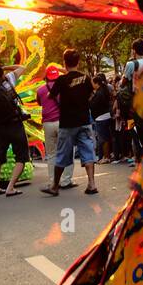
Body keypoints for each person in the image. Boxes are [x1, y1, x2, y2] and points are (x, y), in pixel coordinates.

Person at [40, 50, 97, 196]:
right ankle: (91, 184)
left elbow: (50, 95)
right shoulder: (85, 78)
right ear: (78, 62)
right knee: (88, 151)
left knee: (61, 154)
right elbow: (91, 93)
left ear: (64, 62)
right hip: (84, 120)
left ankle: (54, 186)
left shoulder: (61, 80)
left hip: (67, 123)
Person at [0, 63, 29, 199]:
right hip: (15, 124)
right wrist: (5, 67)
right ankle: (10, 187)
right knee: (21, 157)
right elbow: (23, 67)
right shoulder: (9, 80)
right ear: (2, 74)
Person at [36, 65, 73, 188]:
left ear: (46, 76)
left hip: (47, 124)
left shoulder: (40, 90)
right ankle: (66, 180)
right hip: (62, 122)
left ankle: (53, 181)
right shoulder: (64, 88)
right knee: (67, 151)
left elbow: (40, 102)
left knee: (51, 153)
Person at [118, 37, 143, 161]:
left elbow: (122, 83)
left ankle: (139, 159)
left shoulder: (131, 64)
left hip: (133, 107)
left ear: (133, 50)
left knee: (134, 132)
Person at [90, 73, 114, 162]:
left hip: (101, 117)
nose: (92, 85)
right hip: (105, 116)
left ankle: (106, 157)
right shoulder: (104, 90)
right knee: (105, 137)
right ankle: (106, 156)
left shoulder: (99, 93)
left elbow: (93, 105)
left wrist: (90, 100)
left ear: (97, 83)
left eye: (92, 83)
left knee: (103, 138)